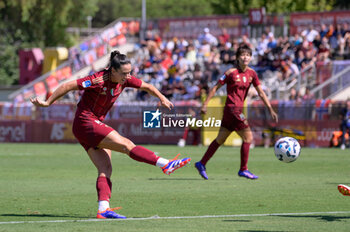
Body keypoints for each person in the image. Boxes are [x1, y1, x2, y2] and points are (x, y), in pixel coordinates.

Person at [30, 50, 191, 219]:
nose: (127, 76)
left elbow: (148, 86)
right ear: (112, 71)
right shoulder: (97, 80)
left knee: (105, 168)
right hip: (86, 123)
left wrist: (162, 98)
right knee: (127, 145)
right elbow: (67, 86)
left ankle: (103, 209)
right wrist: (48, 102)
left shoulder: (125, 80)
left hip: (87, 127)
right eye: (124, 73)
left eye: (129, 72)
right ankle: (165, 164)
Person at [195, 44, 278, 180]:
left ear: (251, 57)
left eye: (248, 55)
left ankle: (201, 163)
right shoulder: (230, 73)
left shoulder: (252, 74)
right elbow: (215, 87)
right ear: (238, 58)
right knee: (248, 138)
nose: (245, 57)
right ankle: (243, 169)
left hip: (232, 111)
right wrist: (205, 104)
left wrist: (270, 108)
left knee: (220, 139)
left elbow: (261, 93)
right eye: (242, 55)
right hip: (232, 109)